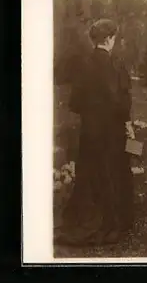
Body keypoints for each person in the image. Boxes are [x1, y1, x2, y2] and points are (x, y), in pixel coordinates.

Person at [55, 18, 135, 246]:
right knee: (113, 171)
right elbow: (122, 103)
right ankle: (114, 223)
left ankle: (86, 219)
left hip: (91, 130)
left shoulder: (83, 64)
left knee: (90, 172)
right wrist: (126, 123)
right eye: (114, 38)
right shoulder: (117, 65)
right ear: (109, 39)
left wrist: (92, 111)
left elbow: (74, 103)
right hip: (112, 130)